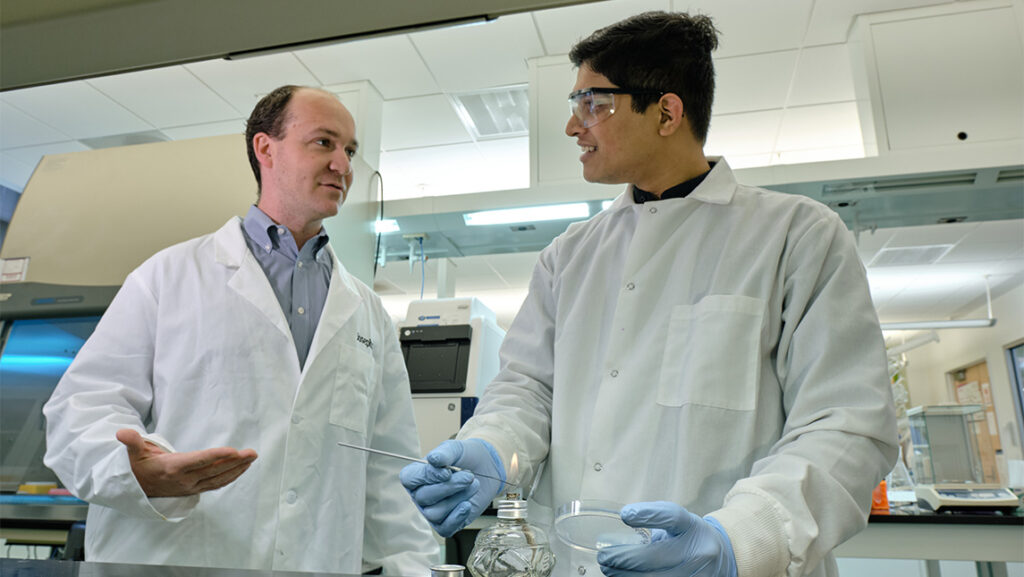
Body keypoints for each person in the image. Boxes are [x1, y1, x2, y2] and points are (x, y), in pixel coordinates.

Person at [400, 12, 897, 577]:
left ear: (666, 111)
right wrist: (491, 447)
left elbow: (846, 425)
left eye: (593, 103)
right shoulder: (569, 255)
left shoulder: (796, 236)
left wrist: (739, 542)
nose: (572, 126)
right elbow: (527, 389)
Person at [44, 85, 440, 574]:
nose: (343, 164)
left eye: (350, 150)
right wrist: (137, 472)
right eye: (324, 143)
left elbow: (388, 466)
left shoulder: (368, 312)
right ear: (265, 148)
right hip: (173, 560)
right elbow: (79, 411)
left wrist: (414, 568)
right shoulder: (167, 277)